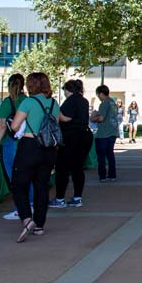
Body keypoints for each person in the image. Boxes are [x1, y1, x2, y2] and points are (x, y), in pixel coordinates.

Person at [9, 72, 65, 242]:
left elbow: (14, 125)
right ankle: (39, 225)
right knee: (42, 186)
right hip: (48, 150)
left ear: (31, 85)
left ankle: (27, 219)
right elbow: (55, 123)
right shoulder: (54, 103)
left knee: (19, 184)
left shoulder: (28, 102)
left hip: (29, 146)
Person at [0, 73, 31, 221]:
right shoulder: (28, 101)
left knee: (14, 177)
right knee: (28, 175)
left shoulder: (8, 102)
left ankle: (19, 209)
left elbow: (2, 124)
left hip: (12, 142)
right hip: (28, 141)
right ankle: (31, 204)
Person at [53, 79, 93, 208]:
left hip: (72, 136)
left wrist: (56, 111)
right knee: (78, 167)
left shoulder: (70, 101)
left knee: (62, 167)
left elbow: (66, 118)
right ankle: (77, 198)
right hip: (85, 135)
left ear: (67, 89)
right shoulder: (83, 100)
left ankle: (59, 199)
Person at [90, 84, 119, 181]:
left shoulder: (104, 103)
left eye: (98, 94)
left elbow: (101, 118)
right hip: (113, 131)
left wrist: (93, 117)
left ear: (101, 93)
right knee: (110, 154)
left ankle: (102, 175)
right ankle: (112, 174)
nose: (98, 97)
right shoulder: (113, 103)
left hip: (103, 133)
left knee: (101, 155)